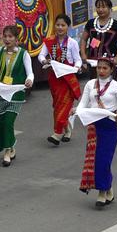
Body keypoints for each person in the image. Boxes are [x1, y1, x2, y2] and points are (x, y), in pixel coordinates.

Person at [77, 57, 117, 207]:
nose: (101, 71)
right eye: (99, 68)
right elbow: (83, 104)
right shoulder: (90, 84)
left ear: (111, 69)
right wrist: (76, 111)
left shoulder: (116, 86)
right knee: (95, 160)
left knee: (104, 160)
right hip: (94, 126)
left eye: (105, 68)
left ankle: (102, 192)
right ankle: (108, 189)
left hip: (109, 126)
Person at [0, 24, 33, 166]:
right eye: (5, 36)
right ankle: (11, 146)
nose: (7, 39)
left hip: (15, 94)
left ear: (16, 39)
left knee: (8, 122)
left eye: (10, 36)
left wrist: (29, 80)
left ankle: (6, 152)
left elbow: (30, 72)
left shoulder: (24, 54)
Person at [38, 13, 82, 145]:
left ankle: (57, 133)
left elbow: (77, 59)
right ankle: (67, 130)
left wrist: (77, 67)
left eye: (63, 25)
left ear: (68, 27)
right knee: (58, 106)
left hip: (68, 78)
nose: (60, 27)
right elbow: (41, 56)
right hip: (54, 78)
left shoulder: (73, 42)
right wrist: (45, 60)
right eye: (58, 25)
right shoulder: (49, 41)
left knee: (65, 104)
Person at [82, 0, 117, 74]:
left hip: (110, 62)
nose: (100, 10)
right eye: (98, 7)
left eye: (103, 7)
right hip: (93, 61)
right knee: (95, 84)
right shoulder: (90, 23)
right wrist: (83, 54)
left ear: (110, 8)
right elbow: (84, 39)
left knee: (111, 85)